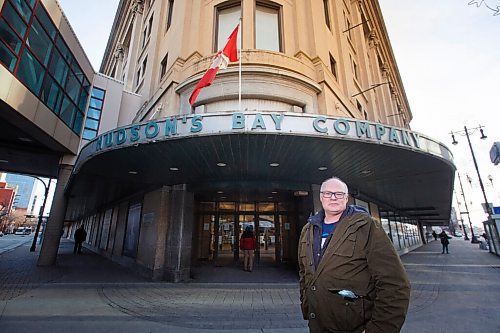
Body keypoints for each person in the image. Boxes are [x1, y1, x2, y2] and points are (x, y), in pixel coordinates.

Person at [298, 177, 410, 333]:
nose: (333, 197)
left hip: (354, 326)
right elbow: (305, 274)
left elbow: (395, 283)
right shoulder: (308, 230)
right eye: (328, 193)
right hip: (317, 325)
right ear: (320, 197)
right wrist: (306, 302)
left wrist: (379, 329)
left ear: (346, 197)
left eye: (339, 193)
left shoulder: (366, 226)